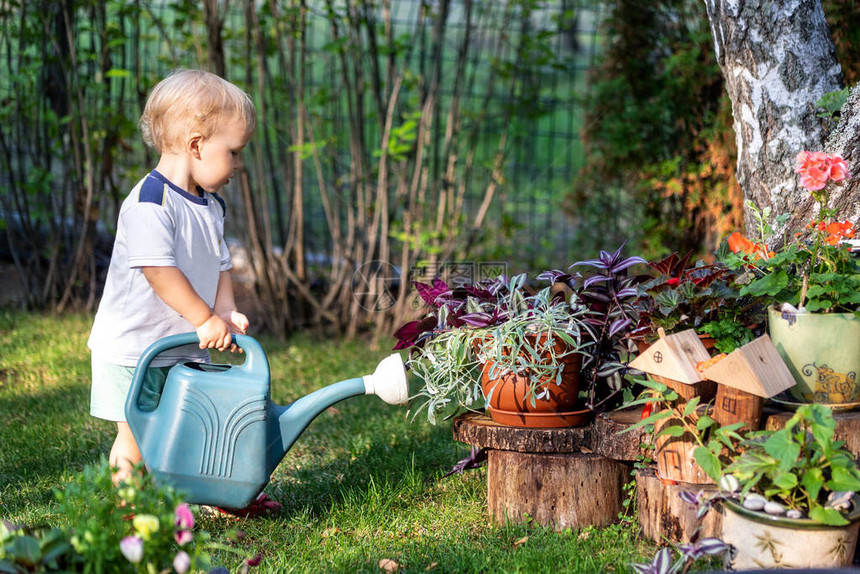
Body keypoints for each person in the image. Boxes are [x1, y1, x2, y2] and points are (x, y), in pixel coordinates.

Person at [88, 69, 255, 483]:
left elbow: (219, 265)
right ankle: (131, 514)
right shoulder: (151, 202)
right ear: (196, 145)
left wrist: (226, 310)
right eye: (234, 152)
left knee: (184, 429)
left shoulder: (211, 206)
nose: (239, 164)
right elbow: (158, 271)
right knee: (137, 437)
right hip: (134, 348)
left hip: (176, 345)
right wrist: (203, 319)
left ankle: (211, 496)